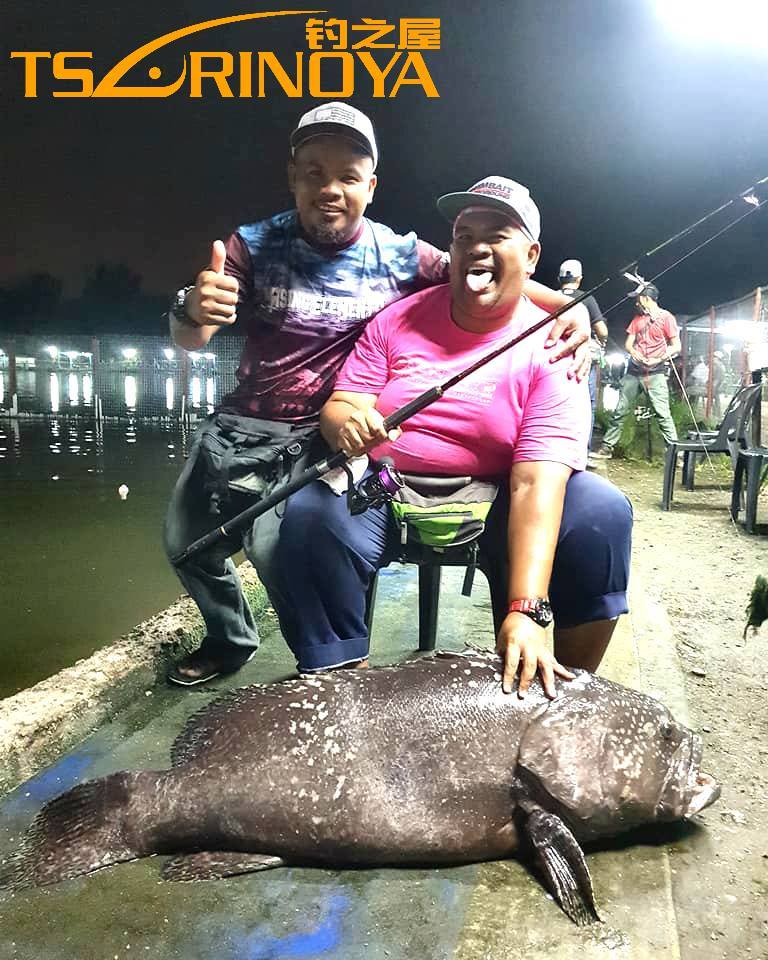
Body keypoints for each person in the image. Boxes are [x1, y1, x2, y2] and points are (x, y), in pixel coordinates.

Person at [163, 104, 592, 687]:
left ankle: (331, 670)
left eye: (347, 175)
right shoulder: (253, 244)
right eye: (313, 172)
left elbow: (487, 269)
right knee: (185, 545)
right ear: (293, 177)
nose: (329, 189)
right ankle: (232, 636)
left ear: (371, 185)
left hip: (322, 432)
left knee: (278, 547)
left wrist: (572, 311)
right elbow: (194, 336)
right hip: (244, 422)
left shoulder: (401, 256)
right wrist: (191, 307)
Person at [274, 177, 633, 697]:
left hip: (500, 496)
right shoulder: (396, 321)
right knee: (308, 513)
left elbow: (537, 482)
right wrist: (345, 422)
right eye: (464, 236)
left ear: (531, 256)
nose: (476, 248)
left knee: (602, 512)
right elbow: (343, 402)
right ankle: (340, 687)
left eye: (498, 234)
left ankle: (569, 694)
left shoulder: (555, 346)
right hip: (388, 489)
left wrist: (526, 608)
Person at [592, 284, 680, 459]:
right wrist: (634, 353)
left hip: (655, 373)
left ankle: (674, 453)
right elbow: (628, 344)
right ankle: (607, 447)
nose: (636, 303)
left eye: (638, 298)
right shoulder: (637, 320)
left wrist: (659, 358)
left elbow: (676, 346)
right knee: (620, 410)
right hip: (633, 372)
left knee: (663, 414)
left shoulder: (666, 317)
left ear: (646, 298)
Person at [558, 259, 608, 449]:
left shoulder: (550, 296)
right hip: (581, 359)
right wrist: (601, 341)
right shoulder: (587, 298)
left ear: (560, 278)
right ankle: (581, 451)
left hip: (554, 358)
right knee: (587, 403)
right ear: (579, 279)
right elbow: (602, 330)